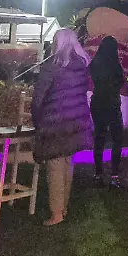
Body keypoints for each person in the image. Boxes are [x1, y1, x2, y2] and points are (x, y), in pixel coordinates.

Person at [31, 28, 94, 225]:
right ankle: (63, 207)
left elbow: (39, 97)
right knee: (67, 162)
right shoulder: (81, 65)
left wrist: (36, 118)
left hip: (55, 122)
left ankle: (56, 213)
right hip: (76, 120)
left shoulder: (52, 65)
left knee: (55, 165)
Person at [89, 36, 126, 188]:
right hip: (112, 104)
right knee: (117, 139)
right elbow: (120, 82)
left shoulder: (95, 64)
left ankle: (98, 174)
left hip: (97, 103)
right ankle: (114, 175)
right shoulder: (115, 65)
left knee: (99, 138)